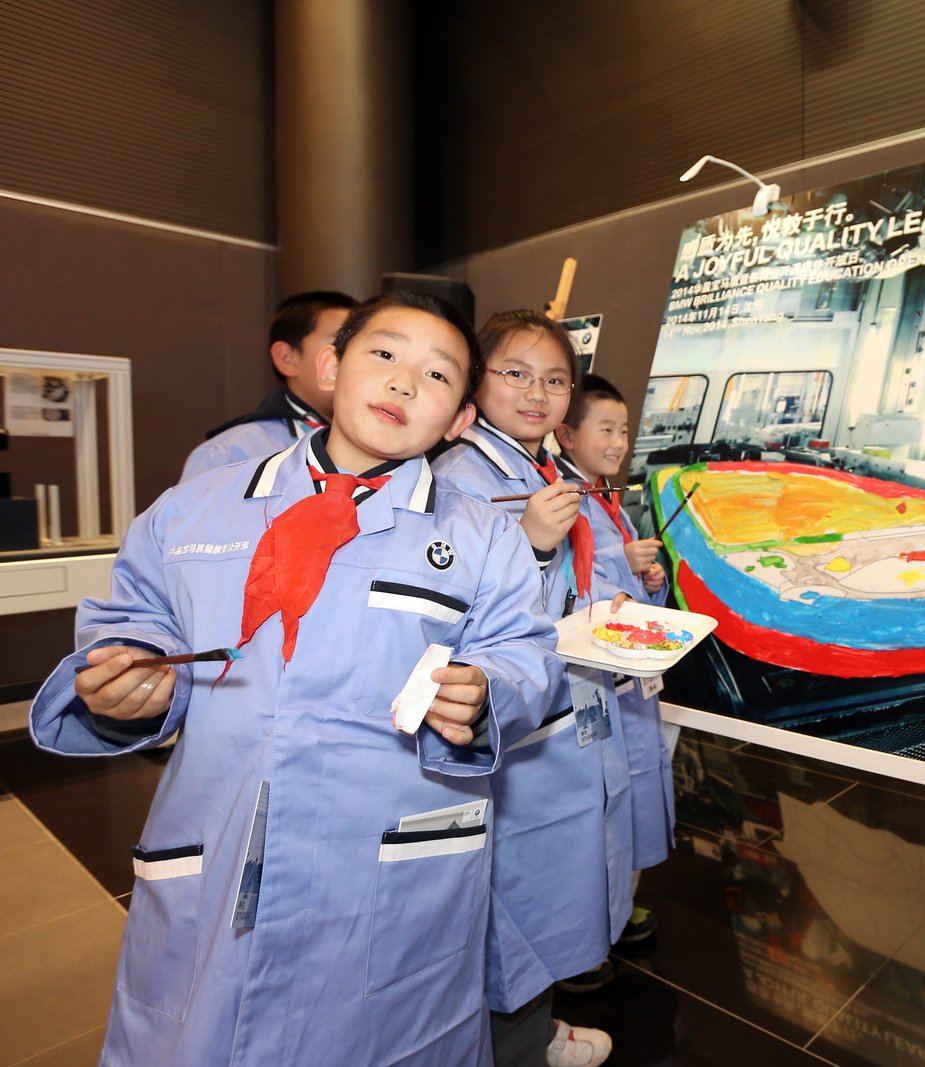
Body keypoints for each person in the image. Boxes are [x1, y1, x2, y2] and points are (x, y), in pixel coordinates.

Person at [30, 290, 564, 1065]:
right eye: (385, 354)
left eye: (438, 375)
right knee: (199, 1031)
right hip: (220, 832)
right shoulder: (195, 510)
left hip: (389, 855)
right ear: (331, 367)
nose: (404, 381)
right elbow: (138, 613)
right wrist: (130, 676)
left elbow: (524, 652)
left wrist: (487, 693)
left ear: (458, 419)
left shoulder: (483, 536)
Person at [432, 311, 626, 1067]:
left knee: (543, 898)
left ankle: (532, 1033)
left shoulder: (537, 466)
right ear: (476, 379)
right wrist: (533, 546)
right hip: (510, 731)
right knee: (507, 910)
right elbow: (452, 611)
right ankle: (512, 1047)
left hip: (561, 710)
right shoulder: (460, 476)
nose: (537, 393)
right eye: (515, 373)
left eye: (554, 379)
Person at [553, 374, 672, 947]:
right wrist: (624, 564)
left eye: (624, 431)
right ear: (567, 434)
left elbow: (623, 584)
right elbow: (570, 583)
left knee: (632, 794)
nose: (619, 443)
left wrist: (648, 578)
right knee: (599, 809)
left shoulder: (604, 496)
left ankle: (617, 914)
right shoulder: (561, 500)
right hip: (594, 676)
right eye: (605, 429)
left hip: (628, 675)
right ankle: (591, 934)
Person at [180, 290, 356, 482]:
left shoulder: (376, 444)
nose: (356, 359)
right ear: (287, 358)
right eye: (341, 344)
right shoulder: (228, 454)